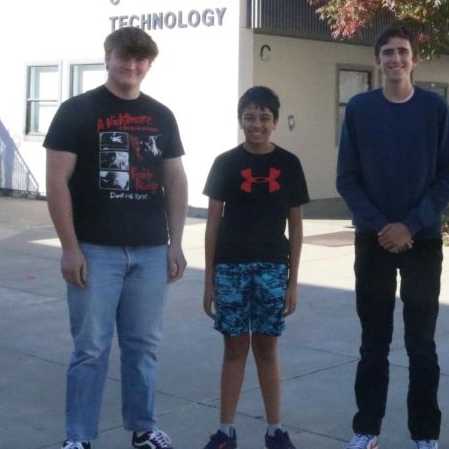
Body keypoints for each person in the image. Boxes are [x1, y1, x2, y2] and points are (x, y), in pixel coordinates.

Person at [45, 26, 189, 449]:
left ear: (149, 64)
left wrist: (175, 243)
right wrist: (70, 248)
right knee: (90, 349)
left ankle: (143, 428)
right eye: (124, 57)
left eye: (141, 60)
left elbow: (175, 179)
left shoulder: (161, 115)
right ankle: (79, 438)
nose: (132, 66)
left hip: (149, 252)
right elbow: (57, 182)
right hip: (94, 251)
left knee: (143, 346)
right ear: (107, 57)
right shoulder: (77, 111)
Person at [336, 25, 449, 449]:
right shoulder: (360, 109)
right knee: (374, 342)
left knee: (421, 342)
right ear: (378, 60)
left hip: (422, 241)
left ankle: (425, 434)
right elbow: (346, 179)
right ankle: (366, 429)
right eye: (387, 52)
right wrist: (381, 226)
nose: (395, 59)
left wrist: (411, 225)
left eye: (403, 52)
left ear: (415, 59)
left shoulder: (435, 110)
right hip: (374, 241)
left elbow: (446, 177)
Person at [201, 86, 309, 449]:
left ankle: (275, 430)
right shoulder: (225, 163)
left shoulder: (289, 164)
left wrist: (293, 281)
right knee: (233, 349)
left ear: (275, 122)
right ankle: (225, 431)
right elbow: (213, 223)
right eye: (250, 117)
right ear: (240, 120)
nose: (257, 124)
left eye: (264, 117)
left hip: (272, 268)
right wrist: (209, 281)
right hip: (230, 268)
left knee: (266, 349)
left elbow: (296, 226)